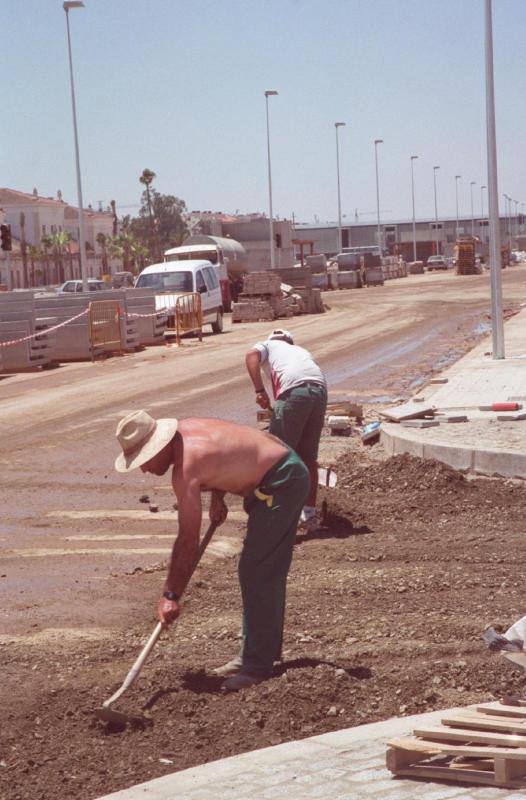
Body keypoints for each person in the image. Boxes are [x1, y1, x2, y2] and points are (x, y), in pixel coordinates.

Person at [114, 409, 309, 691]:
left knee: (258, 571)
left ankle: (257, 665)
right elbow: (227, 451)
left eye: (144, 460)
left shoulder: (185, 468)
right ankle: (256, 653)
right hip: (278, 469)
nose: (143, 469)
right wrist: (218, 495)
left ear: (158, 446)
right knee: (258, 570)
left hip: (281, 481)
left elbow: (187, 540)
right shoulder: (188, 429)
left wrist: (171, 595)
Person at [245, 329, 327, 533]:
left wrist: (259, 390)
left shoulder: (268, 346)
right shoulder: (299, 350)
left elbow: (250, 356)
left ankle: (276, 517)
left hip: (294, 392)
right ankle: (309, 516)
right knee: (308, 458)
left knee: (275, 456)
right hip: (319, 392)